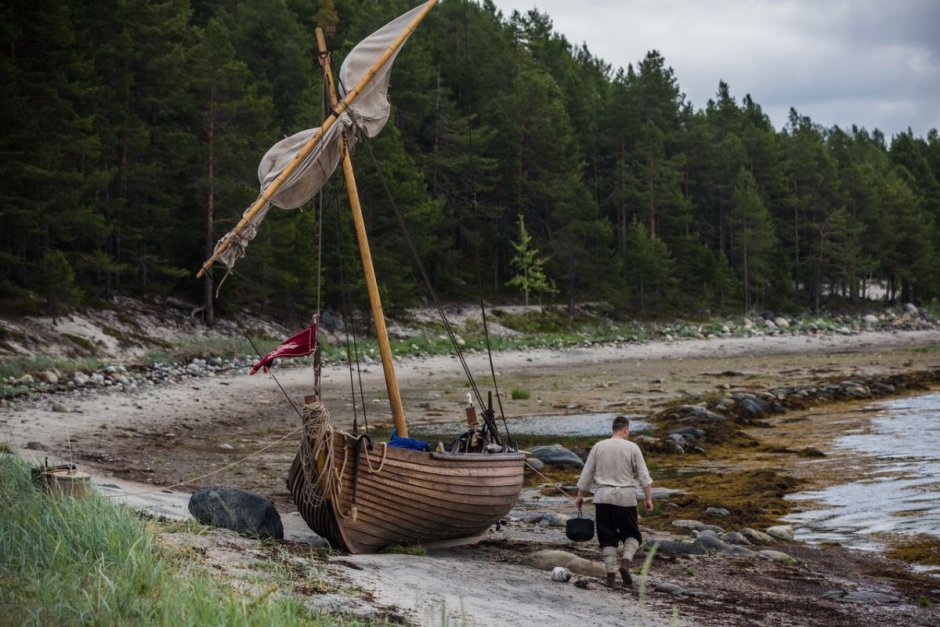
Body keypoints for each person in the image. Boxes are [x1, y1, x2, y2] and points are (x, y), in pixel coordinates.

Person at [575, 415, 653, 589]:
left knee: (607, 536)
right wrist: (648, 498)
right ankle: (625, 563)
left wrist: (580, 495)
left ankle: (610, 576)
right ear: (626, 430)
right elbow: (643, 476)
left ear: (613, 429)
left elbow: (587, 474)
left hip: (603, 497)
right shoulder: (633, 447)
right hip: (626, 498)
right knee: (632, 534)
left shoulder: (598, 447)